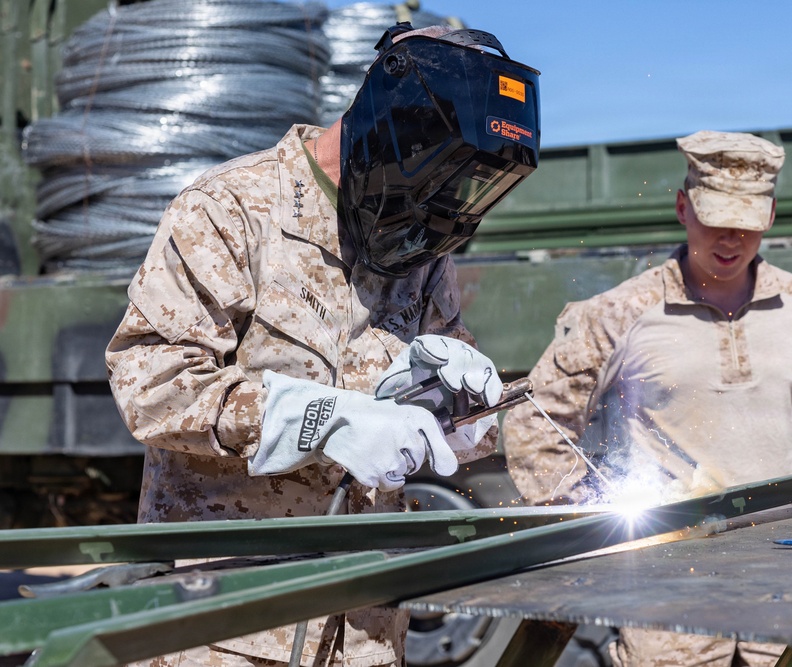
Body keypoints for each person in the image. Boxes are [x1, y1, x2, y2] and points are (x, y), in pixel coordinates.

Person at [105, 22, 539, 667]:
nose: (446, 205)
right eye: (442, 178)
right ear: (400, 130)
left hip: (366, 625)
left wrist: (460, 413)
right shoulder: (232, 208)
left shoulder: (419, 244)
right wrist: (313, 419)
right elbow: (152, 385)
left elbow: (457, 386)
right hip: (230, 621)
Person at [501, 130, 792, 667]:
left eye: (747, 225)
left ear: (772, 216)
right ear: (682, 206)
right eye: (715, 220)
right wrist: (585, 523)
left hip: (787, 584)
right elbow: (537, 419)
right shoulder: (624, 312)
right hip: (669, 588)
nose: (731, 240)